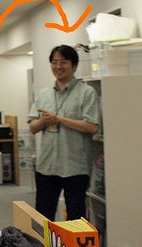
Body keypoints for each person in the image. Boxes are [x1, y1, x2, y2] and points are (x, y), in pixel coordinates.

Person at [28, 45, 100, 221]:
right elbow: (33, 127)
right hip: (47, 166)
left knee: (75, 219)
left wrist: (59, 119)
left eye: (63, 62)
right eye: (54, 62)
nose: (58, 66)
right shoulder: (43, 94)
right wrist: (45, 121)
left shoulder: (86, 92)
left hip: (75, 167)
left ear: (74, 65)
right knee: (43, 218)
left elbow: (92, 127)